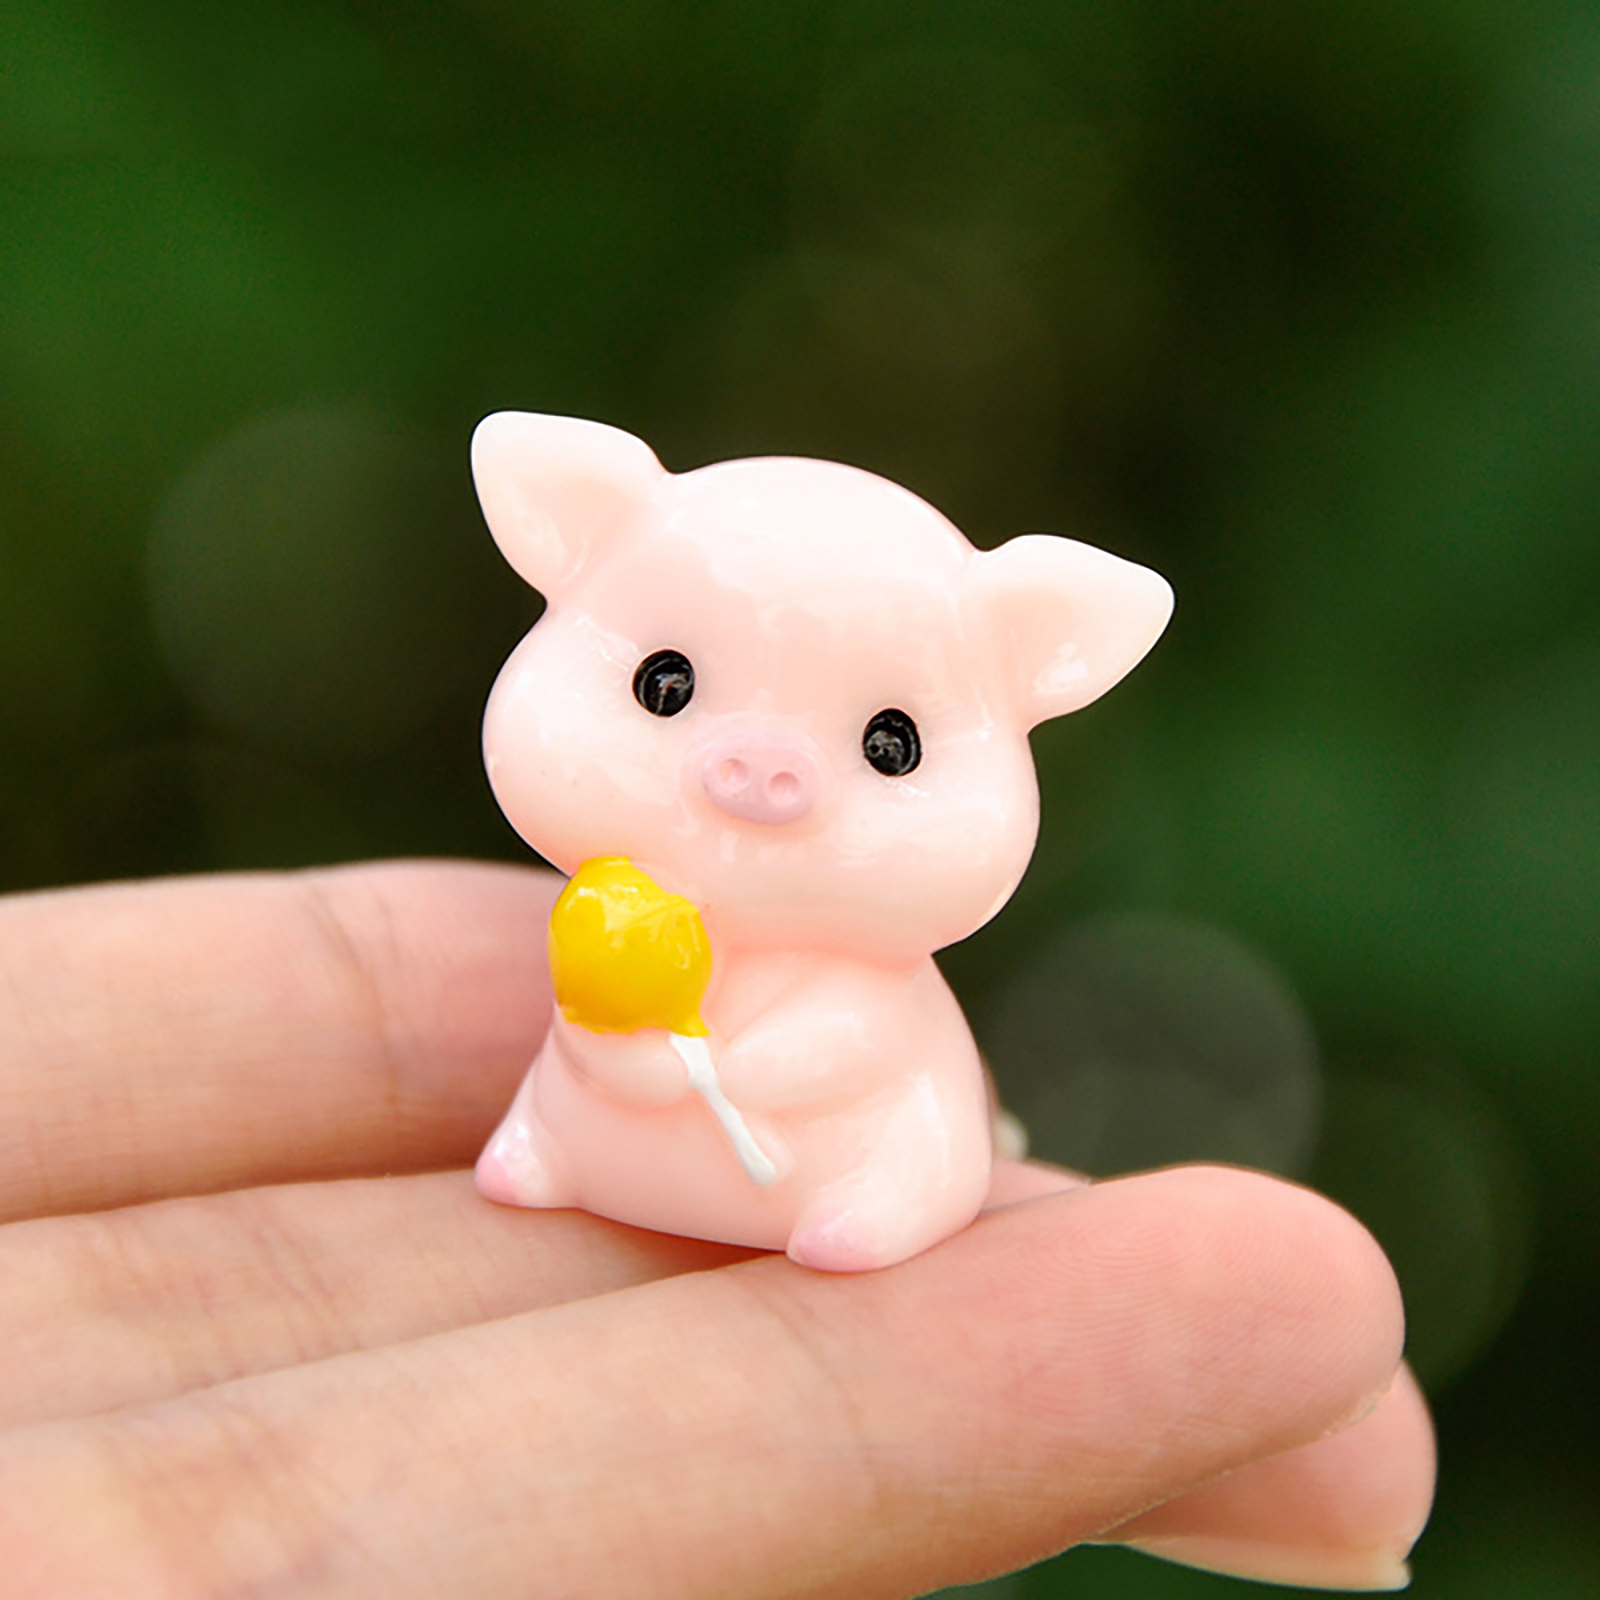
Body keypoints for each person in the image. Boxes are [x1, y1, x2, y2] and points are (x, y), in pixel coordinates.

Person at [0, 861, 1433, 1597]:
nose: (758, 776)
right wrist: (630, 1051)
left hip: (841, 1134)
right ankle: (549, 1151)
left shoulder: (863, 975)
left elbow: (846, 1054)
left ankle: (868, 1195)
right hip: (631, 1112)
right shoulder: (621, 913)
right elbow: (600, 1043)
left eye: (886, 746)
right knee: (567, 1105)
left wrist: (734, 1062)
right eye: (668, 689)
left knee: (871, 1145)